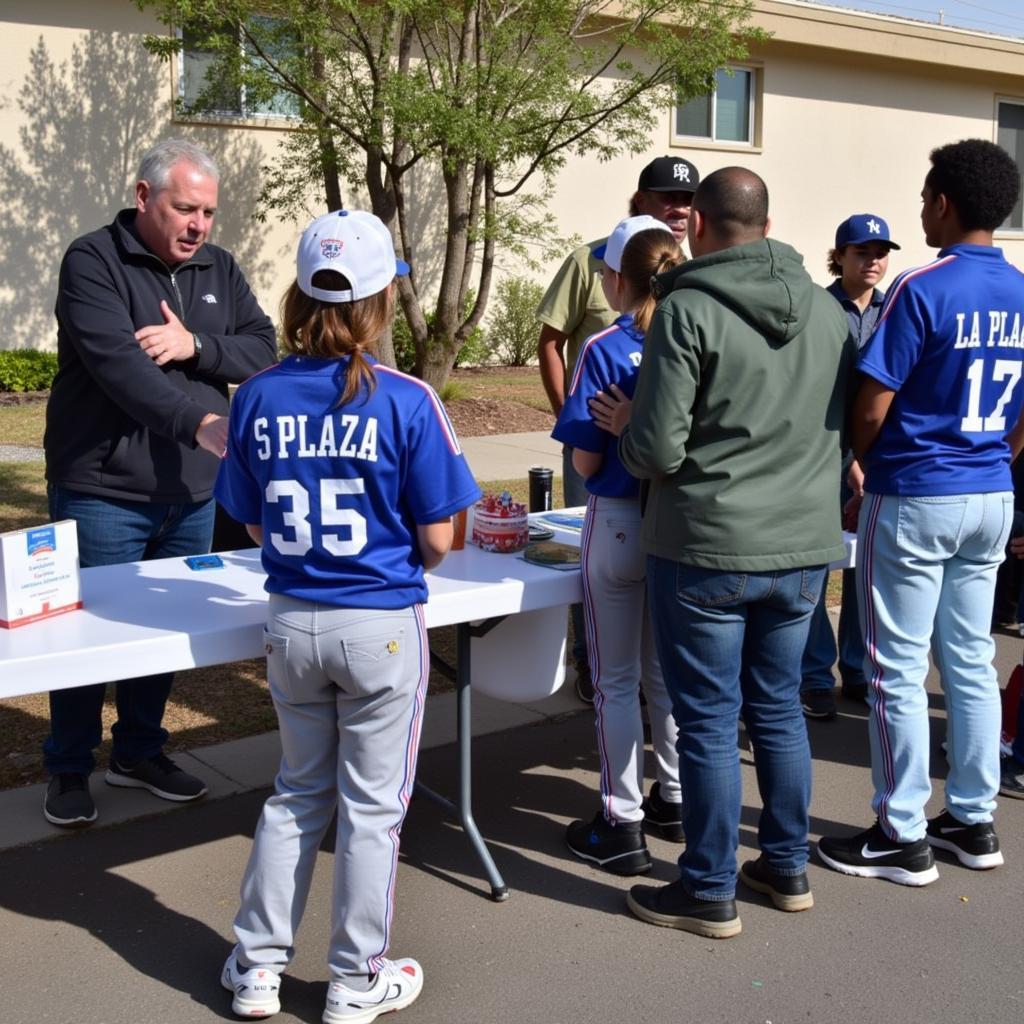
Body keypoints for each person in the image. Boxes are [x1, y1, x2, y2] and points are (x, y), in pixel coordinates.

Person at [215, 209, 480, 1022]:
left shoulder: (256, 394)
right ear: (380, 299)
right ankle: (356, 976)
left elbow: (254, 522)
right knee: (371, 811)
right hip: (380, 623)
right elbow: (442, 535)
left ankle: (258, 968)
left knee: (296, 793)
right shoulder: (407, 398)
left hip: (293, 618)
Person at [595, 167, 853, 938]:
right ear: (767, 226)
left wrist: (626, 427)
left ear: (697, 228)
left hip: (707, 544)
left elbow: (657, 448)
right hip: (803, 547)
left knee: (708, 720)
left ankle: (707, 885)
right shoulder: (827, 310)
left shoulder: (687, 309)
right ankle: (785, 866)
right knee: (778, 710)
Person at [42, 138, 277, 828]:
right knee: (84, 637)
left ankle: (139, 752)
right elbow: (120, 368)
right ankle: (67, 765)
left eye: (208, 211)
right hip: (103, 488)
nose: (199, 224)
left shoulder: (219, 267)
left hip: (191, 492)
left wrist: (196, 346)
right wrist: (201, 420)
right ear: (145, 198)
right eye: (185, 208)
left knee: (162, 631)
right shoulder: (93, 261)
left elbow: (261, 347)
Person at [818, 139, 1024, 885]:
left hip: (915, 491)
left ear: (943, 202)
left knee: (895, 668)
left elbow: (871, 403)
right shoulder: (1023, 289)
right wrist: (995, 453)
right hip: (991, 489)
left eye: (924, 199)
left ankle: (899, 832)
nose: (921, 211)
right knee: (970, 660)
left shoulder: (922, 285)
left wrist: (864, 464)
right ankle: (974, 820)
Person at [537, 154, 700, 701]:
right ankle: (589, 659)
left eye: (687, 200)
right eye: (666, 197)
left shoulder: (692, 283)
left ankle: (628, 788)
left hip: (644, 495)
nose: (678, 208)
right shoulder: (588, 261)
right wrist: (575, 417)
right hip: (625, 469)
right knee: (650, 665)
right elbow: (552, 340)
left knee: (628, 674)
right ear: (640, 199)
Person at [552, 216, 685, 874]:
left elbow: (582, 461)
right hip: (678, 521)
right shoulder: (696, 330)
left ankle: (622, 819)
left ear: (616, 278)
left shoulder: (606, 345)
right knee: (665, 676)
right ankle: (676, 798)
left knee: (615, 681)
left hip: (619, 517)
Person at [800, 214, 900, 720]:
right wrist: (848, 463)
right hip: (824, 452)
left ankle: (857, 669)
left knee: (868, 568)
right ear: (839, 256)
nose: (874, 261)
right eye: (862, 252)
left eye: (881, 252)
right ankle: (815, 675)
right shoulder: (818, 306)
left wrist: (866, 461)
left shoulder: (895, 307)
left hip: (878, 454)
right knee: (817, 565)